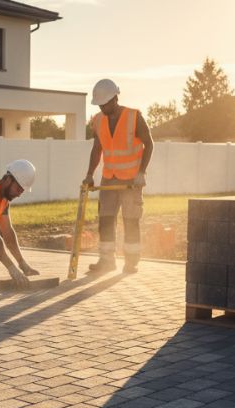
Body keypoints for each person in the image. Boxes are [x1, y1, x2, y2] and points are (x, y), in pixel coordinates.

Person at [83, 78, 154, 274]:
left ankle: (131, 262)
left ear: (115, 98)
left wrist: (142, 172)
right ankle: (106, 261)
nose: (102, 108)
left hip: (132, 180)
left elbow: (149, 144)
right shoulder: (98, 120)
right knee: (105, 219)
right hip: (109, 178)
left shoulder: (134, 116)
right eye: (99, 105)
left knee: (131, 220)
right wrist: (89, 174)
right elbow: (97, 149)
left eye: (104, 104)